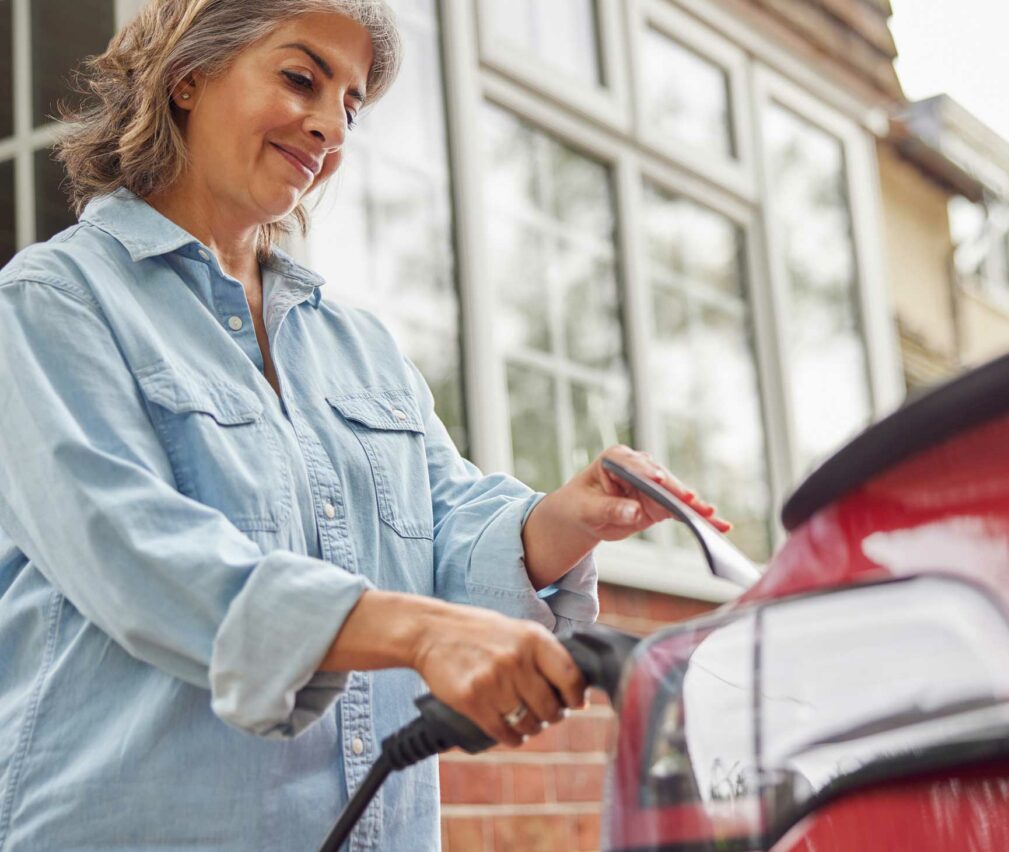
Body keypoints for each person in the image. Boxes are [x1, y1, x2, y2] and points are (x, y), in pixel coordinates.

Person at [0, 1, 731, 848]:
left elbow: (442, 526)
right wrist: (419, 633)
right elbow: (132, 552)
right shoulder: (51, 305)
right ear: (187, 78)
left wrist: (561, 520)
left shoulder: (358, 344)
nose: (328, 129)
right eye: (302, 78)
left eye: (350, 106)